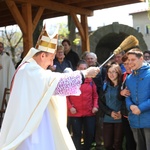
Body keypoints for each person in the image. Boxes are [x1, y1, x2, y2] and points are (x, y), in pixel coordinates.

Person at [0, 27, 100, 150]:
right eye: (51, 58)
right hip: (30, 126)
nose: (52, 63)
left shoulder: (29, 69)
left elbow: (52, 82)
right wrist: (85, 74)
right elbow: (57, 83)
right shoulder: (30, 70)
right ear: (42, 55)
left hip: (35, 120)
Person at [67, 60, 99, 150]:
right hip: (75, 113)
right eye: (81, 68)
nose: (83, 70)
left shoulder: (91, 81)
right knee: (76, 134)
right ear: (77, 68)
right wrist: (70, 107)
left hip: (89, 112)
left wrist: (95, 106)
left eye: (85, 68)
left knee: (89, 133)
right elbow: (66, 96)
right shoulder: (71, 80)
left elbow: (95, 96)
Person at [126, 47, 150, 150]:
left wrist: (141, 108)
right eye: (129, 60)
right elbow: (127, 95)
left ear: (141, 59)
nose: (130, 63)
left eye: (133, 59)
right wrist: (130, 105)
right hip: (135, 120)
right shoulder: (129, 78)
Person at [100, 63, 123, 150]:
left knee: (117, 143)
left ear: (118, 73)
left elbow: (126, 101)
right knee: (107, 144)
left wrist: (121, 112)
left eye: (114, 72)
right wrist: (110, 112)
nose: (111, 74)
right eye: (109, 72)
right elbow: (101, 102)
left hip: (120, 118)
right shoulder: (105, 85)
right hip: (107, 118)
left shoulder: (123, 85)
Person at [85, 52, 105, 150]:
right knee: (88, 123)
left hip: (98, 100)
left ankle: (99, 144)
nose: (90, 60)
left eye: (92, 58)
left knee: (99, 123)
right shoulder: (83, 71)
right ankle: (88, 143)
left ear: (96, 59)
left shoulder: (102, 70)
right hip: (86, 101)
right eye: (88, 58)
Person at [119, 54, 136, 150]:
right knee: (129, 141)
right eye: (124, 64)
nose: (127, 66)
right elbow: (118, 96)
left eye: (128, 63)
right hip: (125, 113)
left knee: (139, 141)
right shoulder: (123, 76)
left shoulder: (140, 75)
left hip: (138, 112)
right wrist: (121, 92)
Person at [0, 42, 15, 107]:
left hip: (4, 83)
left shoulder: (7, 59)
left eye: (1, 47)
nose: (0, 49)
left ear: (3, 48)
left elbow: (12, 72)